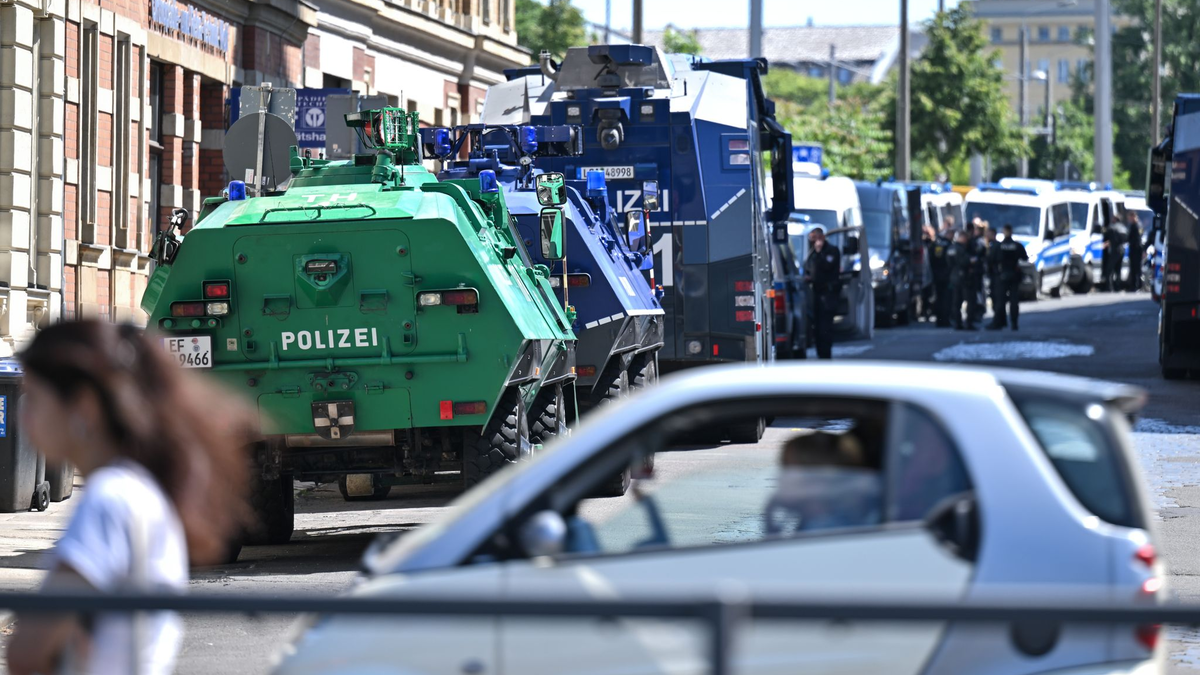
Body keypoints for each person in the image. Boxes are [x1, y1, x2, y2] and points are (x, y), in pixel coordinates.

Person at [8, 321, 256, 675]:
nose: (22, 418)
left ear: (83, 405)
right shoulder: (138, 489)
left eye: (34, 398)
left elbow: (26, 651)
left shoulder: (110, 498)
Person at [764, 430, 882, 535]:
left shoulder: (824, 530)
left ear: (815, 481)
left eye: (788, 469)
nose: (782, 478)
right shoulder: (820, 519)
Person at [804, 227, 841, 359]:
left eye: (816, 238)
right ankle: (820, 353)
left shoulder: (831, 251)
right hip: (816, 294)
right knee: (817, 327)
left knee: (825, 327)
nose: (814, 242)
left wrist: (819, 252)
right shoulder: (812, 253)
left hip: (828, 295)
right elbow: (809, 269)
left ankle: (826, 354)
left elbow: (826, 266)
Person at [989, 224, 1028, 331]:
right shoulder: (1017, 246)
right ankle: (1014, 323)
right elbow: (1024, 258)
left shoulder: (998, 246)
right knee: (1014, 301)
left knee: (1000, 301)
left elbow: (991, 260)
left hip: (1002, 276)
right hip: (1014, 275)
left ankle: (999, 322)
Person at [930, 224, 953, 328]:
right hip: (946, 276)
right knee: (946, 299)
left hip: (937, 275)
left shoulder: (936, 244)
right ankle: (944, 320)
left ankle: (939, 320)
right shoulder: (948, 245)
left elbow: (933, 259)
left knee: (939, 298)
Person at [966, 222, 987, 327]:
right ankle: (975, 313)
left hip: (977, 272)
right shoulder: (975, 241)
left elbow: (978, 255)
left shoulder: (978, 241)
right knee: (975, 294)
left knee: (978, 293)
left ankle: (978, 312)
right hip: (974, 272)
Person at [948, 230, 970, 329]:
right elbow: (965, 262)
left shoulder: (950, 248)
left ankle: (957, 322)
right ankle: (961, 322)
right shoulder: (960, 249)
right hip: (962, 277)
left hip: (953, 276)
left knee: (955, 301)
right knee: (964, 300)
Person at [985, 226, 1005, 328]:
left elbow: (990, 260)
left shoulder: (994, 246)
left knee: (997, 299)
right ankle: (1001, 320)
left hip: (996, 275)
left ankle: (997, 322)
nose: (986, 236)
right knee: (998, 299)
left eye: (988, 234)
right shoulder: (996, 245)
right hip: (997, 275)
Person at [920, 225, 937, 321]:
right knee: (924, 295)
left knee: (929, 294)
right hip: (924, 271)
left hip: (930, 272)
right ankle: (924, 311)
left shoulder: (932, 244)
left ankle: (928, 311)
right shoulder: (920, 244)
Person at [1126, 210, 1144, 291]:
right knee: (1136, 268)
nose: (1129, 219)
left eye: (1130, 217)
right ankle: (1137, 285)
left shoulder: (1136, 226)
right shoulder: (1138, 225)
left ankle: (1135, 285)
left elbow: (1135, 238)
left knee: (1135, 268)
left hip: (1135, 250)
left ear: (1133, 217)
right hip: (1136, 249)